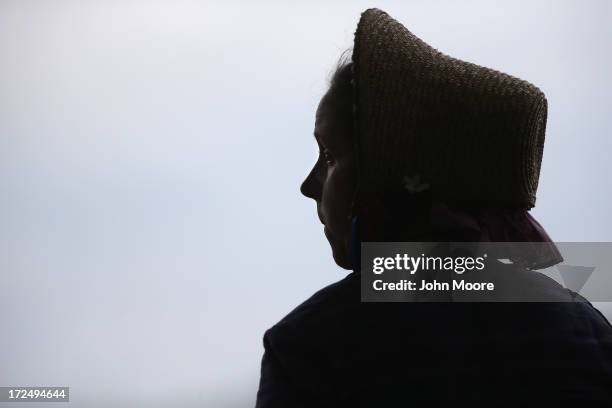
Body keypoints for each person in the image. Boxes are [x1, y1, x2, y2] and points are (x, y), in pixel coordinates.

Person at [255, 8, 612, 407]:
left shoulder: (311, 347)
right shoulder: (586, 333)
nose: (309, 185)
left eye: (330, 156)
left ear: (386, 172)